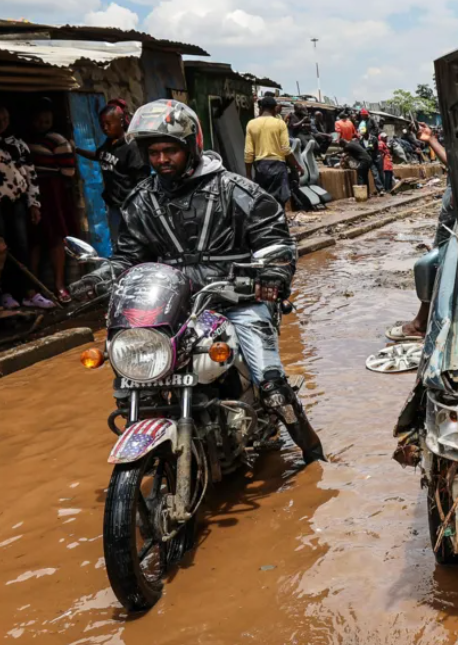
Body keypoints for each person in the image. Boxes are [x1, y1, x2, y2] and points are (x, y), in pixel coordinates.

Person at [68, 99, 325, 464]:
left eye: (170, 149)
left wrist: (273, 270)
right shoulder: (141, 201)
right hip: (172, 307)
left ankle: (313, 453)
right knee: (129, 369)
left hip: (237, 301)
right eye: (153, 151)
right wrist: (100, 276)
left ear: (191, 145)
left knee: (271, 384)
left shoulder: (238, 191)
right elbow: (128, 257)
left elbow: (275, 241)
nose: (161, 159)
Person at [389, 123, 450, 340]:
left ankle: (421, 324)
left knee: (435, 264)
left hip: (456, 212)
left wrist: (431, 140)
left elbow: (455, 165)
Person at [73, 99, 150, 244]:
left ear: (121, 122)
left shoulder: (131, 146)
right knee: (117, 244)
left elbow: (142, 180)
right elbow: (98, 156)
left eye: (109, 123)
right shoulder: (108, 145)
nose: (105, 128)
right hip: (114, 206)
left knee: (134, 243)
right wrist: (77, 150)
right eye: (102, 124)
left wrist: (139, 208)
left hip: (130, 207)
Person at [27, 97, 78, 305]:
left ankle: (59, 286)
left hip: (52, 193)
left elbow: (68, 171)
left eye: (46, 121)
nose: (42, 124)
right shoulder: (25, 141)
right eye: (39, 121)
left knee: (56, 238)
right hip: (32, 193)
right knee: (35, 241)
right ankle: (35, 288)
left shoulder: (58, 140)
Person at [0, 104, 43, 311]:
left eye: (5, 118)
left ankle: (28, 293)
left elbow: (31, 174)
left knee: (22, 246)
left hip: (17, 203)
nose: (2, 122)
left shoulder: (18, 144)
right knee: (2, 250)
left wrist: (34, 204)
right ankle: (5, 294)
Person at [245, 96, 303, 207]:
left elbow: (248, 152)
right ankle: (279, 221)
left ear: (261, 108)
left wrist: (248, 174)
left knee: (264, 201)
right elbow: (286, 150)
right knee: (279, 202)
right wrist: (297, 166)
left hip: (260, 167)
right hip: (278, 167)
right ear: (274, 108)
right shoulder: (279, 123)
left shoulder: (251, 124)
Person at [360, 126, 385, 195]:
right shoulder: (361, 141)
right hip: (368, 160)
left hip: (376, 158)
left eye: (364, 134)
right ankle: (367, 192)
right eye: (362, 134)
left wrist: (363, 151)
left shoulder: (373, 138)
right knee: (367, 175)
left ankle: (381, 189)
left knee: (377, 174)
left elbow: (371, 147)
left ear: (367, 132)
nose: (364, 135)